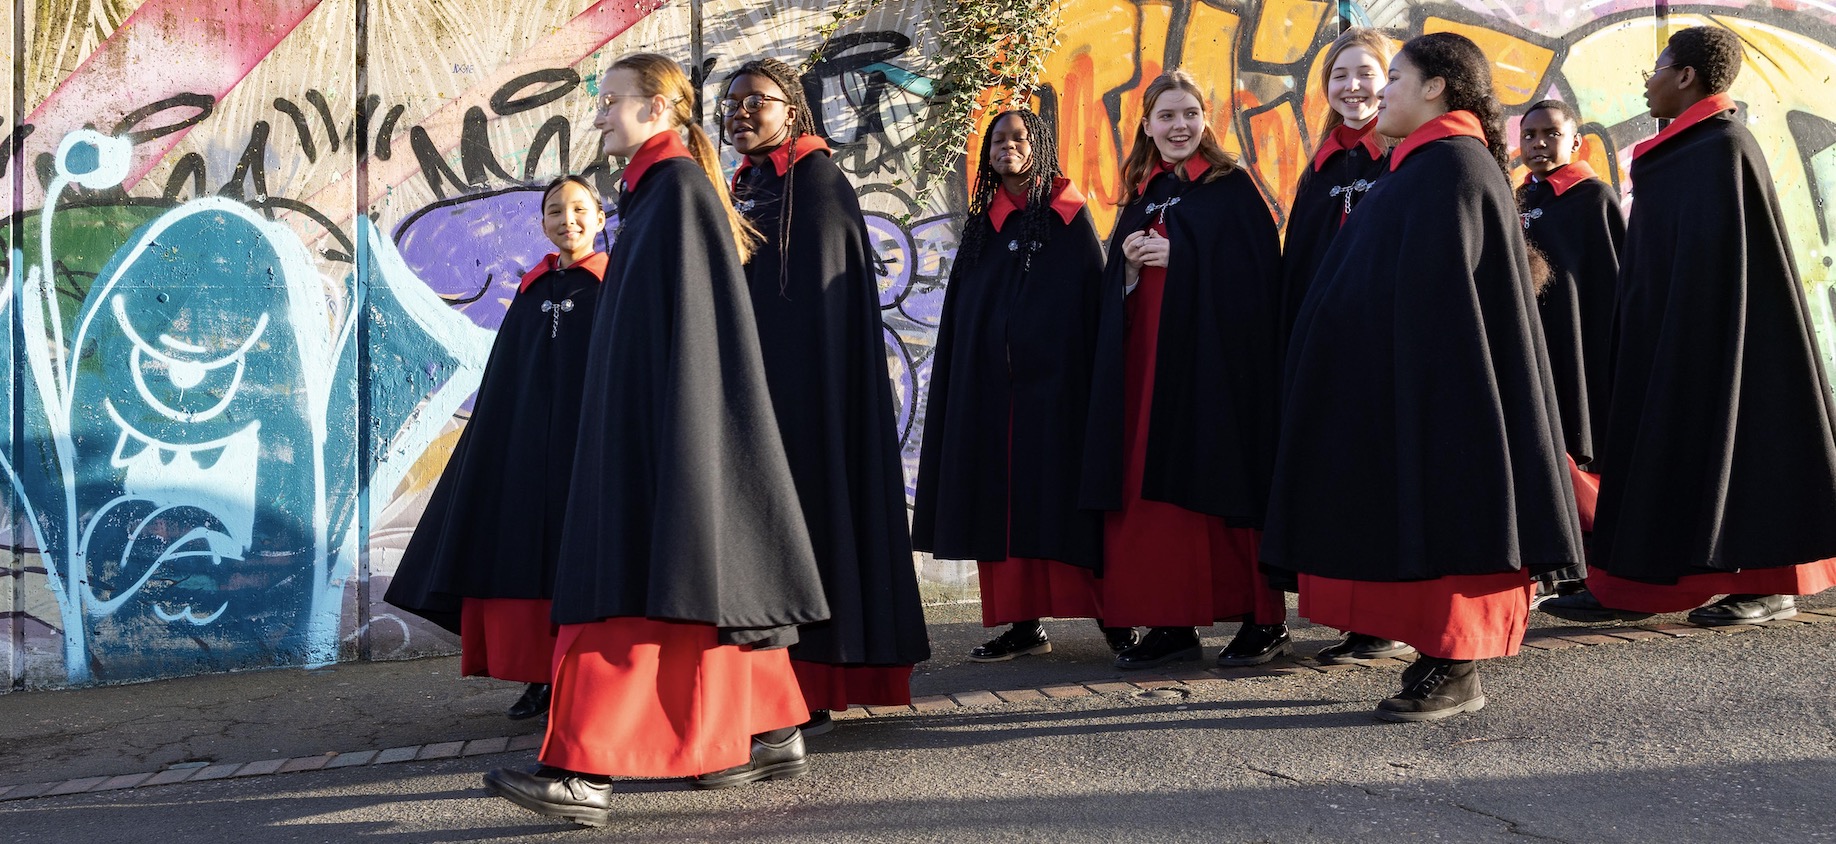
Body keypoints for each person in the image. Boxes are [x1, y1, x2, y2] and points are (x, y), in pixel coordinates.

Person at [483, 53, 829, 828]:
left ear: (658, 110)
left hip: (658, 432)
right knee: (695, 584)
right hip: (657, 427)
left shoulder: (674, 192)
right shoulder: (658, 191)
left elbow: (689, 340)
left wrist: (655, 442)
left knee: (620, 595)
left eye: (612, 100)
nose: (599, 114)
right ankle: (772, 730)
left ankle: (579, 773)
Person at [1263, 32, 1583, 721]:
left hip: (1445, 395)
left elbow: (1441, 301)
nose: (1382, 93)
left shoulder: (1452, 166)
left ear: (1436, 87)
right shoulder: (1423, 164)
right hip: (1415, 386)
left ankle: (1457, 665)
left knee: (1453, 523)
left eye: (1395, 79)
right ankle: (1438, 656)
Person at [1542, 25, 1836, 626]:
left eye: (1656, 68)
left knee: (1740, 442)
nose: (1646, 82)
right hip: (1670, 334)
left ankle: (1764, 583)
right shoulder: (1683, 152)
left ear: (1686, 75)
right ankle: (1638, 581)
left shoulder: (1721, 148)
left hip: (1719, 341)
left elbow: (1729, 269)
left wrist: (1684, 330)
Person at [720, 58, 931, 731]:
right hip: (754, 392)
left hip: (805, 402)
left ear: (792, 110)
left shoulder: (815, 183)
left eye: (757, 100)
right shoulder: (748, 184)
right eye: (731, 102)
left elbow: (817, 311)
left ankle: (806, 688)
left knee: (809, 528)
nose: (741, 112)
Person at [1080, 70, 1290, 671]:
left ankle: (1264, 619)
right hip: (1146, 370)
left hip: (1212, 371)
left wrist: (1184, 256)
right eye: (1167, 116)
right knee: (1149, 494)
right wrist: (1125, 271)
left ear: (1206, 119)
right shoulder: (1144, 193)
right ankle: (1171, 622)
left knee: (1223, 479)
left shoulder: (1232, 188)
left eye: (1190, 114)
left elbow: (1259, 277)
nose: (1180, 126)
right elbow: (1115, 289)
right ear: (1146, 125)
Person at [383, 175, 608, 721]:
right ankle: (540, 677)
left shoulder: (615, 287)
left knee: (585, 563)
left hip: (591, 453)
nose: (568, 220)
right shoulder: (530, 292)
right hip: (528, 455)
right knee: (526, 564)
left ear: (601, 218)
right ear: (543, 224)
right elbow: (509, 379)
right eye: (555, 211)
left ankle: (588, 683)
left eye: (580, 209)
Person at [913, 107, 1135, 662]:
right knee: (1000, 510)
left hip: (1059, 396)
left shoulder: (1068, 218)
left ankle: (1115, 619)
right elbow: (966, 313)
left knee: (1067, 506)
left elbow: (1088, 307)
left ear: (1039, 147)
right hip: (992, 396)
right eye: (997, 140)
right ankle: (1021, 624)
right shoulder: (982, 225)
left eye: (1018, 138)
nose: (1006, 146)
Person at [1277, 27, 1413, 665]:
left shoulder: (1408, 158)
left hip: (1386, 349)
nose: (1352, 87)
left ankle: (1389, 619)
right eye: (1339, 75)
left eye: (1367, 73)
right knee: (1339, 481)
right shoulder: (1321, 166)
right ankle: (1357, 618)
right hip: (1326, 352)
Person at [1514, 98, 1625, 599]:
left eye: (1550, 134)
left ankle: (1593, 569)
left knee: (1582, 448)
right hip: (1531, 345)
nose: (1538, 144)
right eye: (1529, 135)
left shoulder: (1593, 198)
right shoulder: (1518, 197)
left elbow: (1612, 281)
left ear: (1575, 142)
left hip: (1580, 349)